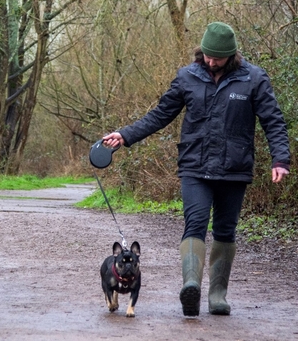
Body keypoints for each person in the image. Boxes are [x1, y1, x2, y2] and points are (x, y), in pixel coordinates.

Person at [102, 22, 290, 317]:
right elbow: (161, 114)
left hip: (235, 169)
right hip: (194, 167)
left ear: (232, 55)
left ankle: (217, 296)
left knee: (226, 231)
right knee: (195, 224)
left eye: (217, 58)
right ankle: (191, 285)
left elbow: (273, 121)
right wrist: (125, 135)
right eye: (207, 56)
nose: (211, 62)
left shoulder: (253, 79)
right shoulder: (187, 77)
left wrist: (281, 159)